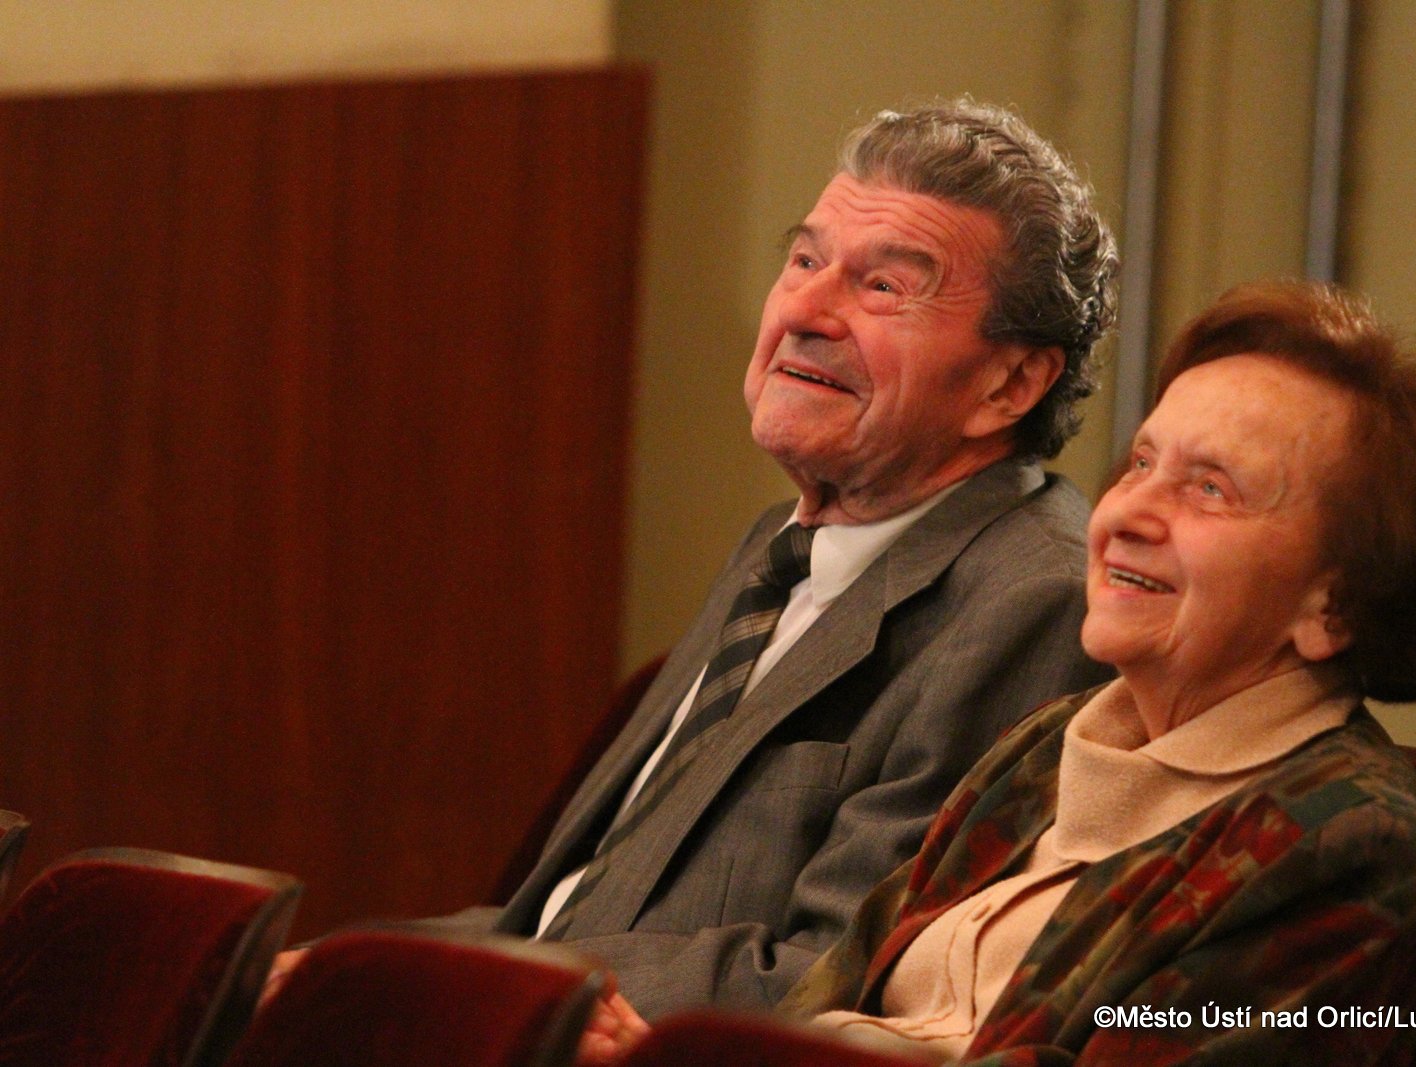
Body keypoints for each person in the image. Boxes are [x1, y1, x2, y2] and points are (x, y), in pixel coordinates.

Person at [266, 99, 1118, 1029]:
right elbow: (561, 913)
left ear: (1010, 383)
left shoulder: (1034, 600)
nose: (805, 311)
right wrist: (349, 968)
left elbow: (844, 972)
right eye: (805, 261)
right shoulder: (783, 545)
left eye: (883, 287)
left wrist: (477, 990)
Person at [583, 279, 1416, 1065]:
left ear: (1336, 604)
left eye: (1210, 488)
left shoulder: (1347, 844)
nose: (1127, 513)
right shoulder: (1055, 742)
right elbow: (837, 991)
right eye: (1141, 461)